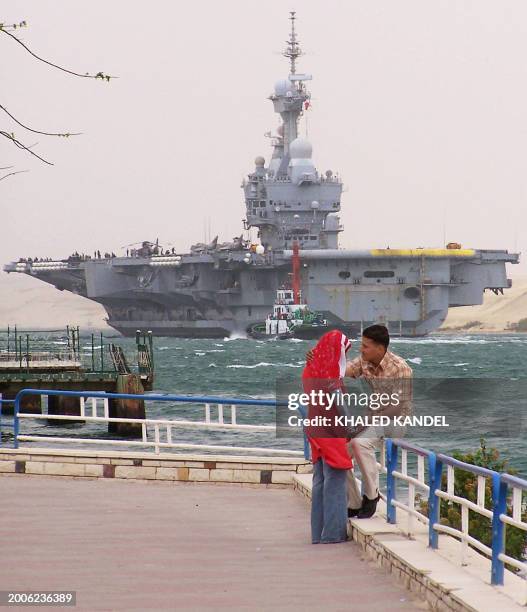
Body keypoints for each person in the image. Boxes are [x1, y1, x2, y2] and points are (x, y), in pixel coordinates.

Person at [344, 325, 413, 518]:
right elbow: (345, 370)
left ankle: (372, 495)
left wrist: (363, 425)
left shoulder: (400, 369)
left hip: (395, 420)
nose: (361, 349)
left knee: (360, 442)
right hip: (373, 418)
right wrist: (319, 359)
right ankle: (354, 502)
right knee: (339, 451)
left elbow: (397, 408)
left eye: (365, 346)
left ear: (380, 349)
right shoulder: (365, 362)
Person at [302, 330, 353, 544]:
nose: (345, 357)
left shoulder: (310, 368)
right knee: (335, 479)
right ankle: (333, 534)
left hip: (315, 430)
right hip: (331, 432)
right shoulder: (331, 373)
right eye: (344, 351)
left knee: (320, 480)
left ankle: (318, 533)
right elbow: (339, 405)